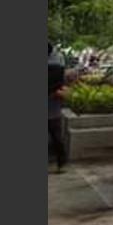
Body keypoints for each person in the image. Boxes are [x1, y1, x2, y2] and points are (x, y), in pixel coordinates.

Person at [48, 43, 68, 173]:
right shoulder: (59, 62)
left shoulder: (55, 63)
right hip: (54, 104)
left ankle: (60, 161)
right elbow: (61, 84)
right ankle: (61, 162)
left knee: (55, 136)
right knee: (56, 136)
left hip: (52, 104)